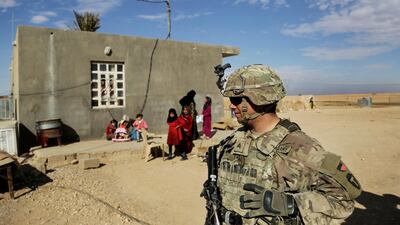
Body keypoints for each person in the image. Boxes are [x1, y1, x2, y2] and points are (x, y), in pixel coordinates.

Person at [202, 64, 361, 225]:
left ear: (259, 98)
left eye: (236, 100)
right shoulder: (234, 140)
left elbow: (342, 201)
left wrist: (291, 205)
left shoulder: (301, 147)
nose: (231, 105)